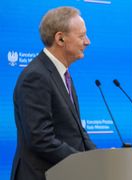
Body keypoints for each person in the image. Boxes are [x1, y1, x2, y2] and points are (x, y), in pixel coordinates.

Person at [11, 7, 96, 180]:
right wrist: (81, 161)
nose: (87, 42)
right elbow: (40, 138)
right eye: (81, 36)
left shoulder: (62, 74)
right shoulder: (36, 76)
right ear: (60, 38)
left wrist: (98, 158)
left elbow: (77, 131)